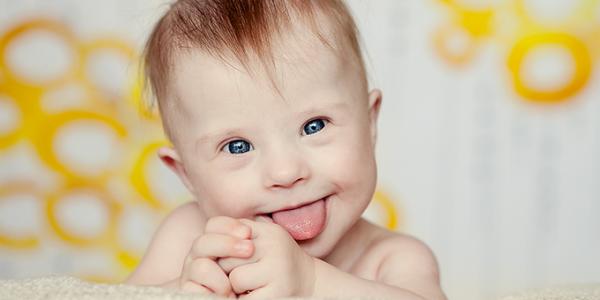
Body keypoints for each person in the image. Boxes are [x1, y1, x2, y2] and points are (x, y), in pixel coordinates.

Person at [126, 1, 446, 299]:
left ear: (370, 122)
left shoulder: (392, 259)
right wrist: (180, 290)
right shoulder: (188, 237)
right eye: (238, 147)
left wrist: (313, 282)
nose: (286, 172)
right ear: (186, 174)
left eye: (314, 126)